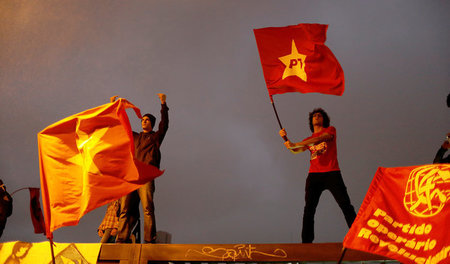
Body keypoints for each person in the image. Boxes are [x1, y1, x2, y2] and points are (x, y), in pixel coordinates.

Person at [279, 108, 356, 243]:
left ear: (323, 119)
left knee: (345, 205)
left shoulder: (330, 130)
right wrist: (285, 138)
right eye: (314, 116)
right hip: (314, 175)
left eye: (319, 115)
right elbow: (295, 150)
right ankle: (306, 242)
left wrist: (296, 144)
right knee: (309, 208)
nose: (317, 117)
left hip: (332, 172)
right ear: (311, 121)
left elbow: (322, 138)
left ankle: (357, 236)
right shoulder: (308, 139)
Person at [116, 93, 169, 243]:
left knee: (147, 208)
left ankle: (149, 239)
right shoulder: (135, 137)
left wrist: (163, 104)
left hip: (146, 176)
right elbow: (122, 126)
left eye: (146, 120)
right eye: (142, 120)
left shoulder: (155, 138)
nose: (143, 121)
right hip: (131, 176)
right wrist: (115, 108)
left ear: (151, 123)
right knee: (124, 208)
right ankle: (121, 238)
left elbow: (164, 124)